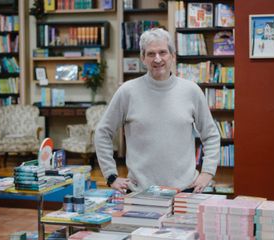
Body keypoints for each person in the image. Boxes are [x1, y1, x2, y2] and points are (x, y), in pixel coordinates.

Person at [94, 28, 220, 193]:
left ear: (172, 56)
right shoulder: (127, 91)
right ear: (143, 58)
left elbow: (211, 135)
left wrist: (207, 172)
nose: (158, 59)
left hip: (185, 190)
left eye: (163, 52)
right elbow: (102, 132)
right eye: (151, 54)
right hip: (140, 192)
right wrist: (111, 175)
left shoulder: (191, 91)